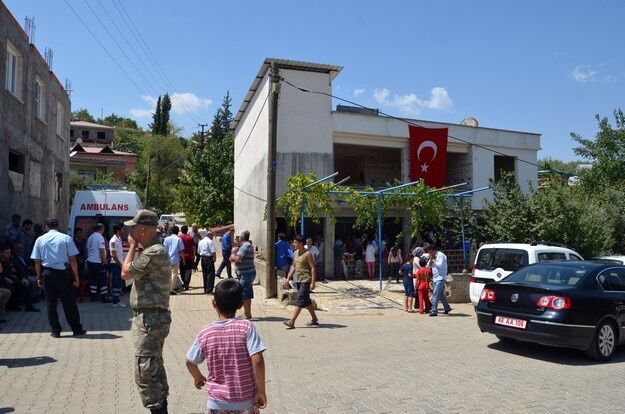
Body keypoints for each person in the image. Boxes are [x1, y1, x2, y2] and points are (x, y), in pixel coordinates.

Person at [185, 279, 267, 413]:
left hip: (217, 402)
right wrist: (261, 390)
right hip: (245, 401)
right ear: (241, 304)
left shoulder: (205, 332)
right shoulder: (246, 327)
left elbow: (189, 361)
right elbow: (257, 360)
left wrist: (197, 377)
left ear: (214, 303)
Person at [121, 210, 172, 414]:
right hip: (151, 317)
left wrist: (132, 246)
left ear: (142, 230)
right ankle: (161, 408)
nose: (130, 233)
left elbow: (125, 273)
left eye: (133, 229)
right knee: (153, 366)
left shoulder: (154, 252)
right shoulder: (153, 250)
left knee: (145, 370)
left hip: (151, 319)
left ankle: (158, 409)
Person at [31, 218, 86, 338]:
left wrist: (38, 277)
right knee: (69, 302)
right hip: (62, 274)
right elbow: (72, 259)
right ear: (58, 226)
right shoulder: (66, 238)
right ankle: (76, 329)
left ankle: (55, 331)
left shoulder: (40, 239)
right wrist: (76, 277)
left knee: (51, 303)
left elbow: (37, 261)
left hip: (47, 273)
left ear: (46, 227)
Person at [283, 235, 318, 329]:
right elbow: (294, 267)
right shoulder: (295, 253)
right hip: (298, 280)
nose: (293, 244)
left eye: (295, 242)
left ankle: (292, 321)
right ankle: (314, 319)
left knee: (300, 300)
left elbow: (313, 268)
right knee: (306, 301)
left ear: (301, 243)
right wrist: (288, 278)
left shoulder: (308, 254)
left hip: (306, 280)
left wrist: (313, 282)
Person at [0, 243, 38, 312]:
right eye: (6, 253)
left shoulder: (11, 259)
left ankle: (29, 306)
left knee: (25, 283)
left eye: (9, 252)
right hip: (3, 279)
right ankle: (12, 305)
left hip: (11, 277)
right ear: (1, 253)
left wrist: (23, 277)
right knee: (11, 286)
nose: (9, 254)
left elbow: (19, 268)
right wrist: (6, 277)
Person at [230, 230, 255, 319]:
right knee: (247, 294)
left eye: (239, 236)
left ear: (242, 237)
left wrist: (232, 255)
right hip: (246, 273)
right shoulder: (245, 245)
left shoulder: (245, 246)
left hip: (246, 274)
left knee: (241, 293)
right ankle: (247, 314)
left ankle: (232, 314)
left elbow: (236, 259)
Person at [427, 244, 451, 316]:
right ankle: (447, 308)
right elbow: (428, 267)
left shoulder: (441, 255)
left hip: (441, 277)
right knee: (440, 294)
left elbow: (440, 265)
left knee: (435, 294)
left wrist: (433, 260)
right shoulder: (433, 257)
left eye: (429, 251)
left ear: (433, 250)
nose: (429, 253)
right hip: (435, 278)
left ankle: (434, 310)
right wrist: (430, 260)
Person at [86, 223, 108, 302]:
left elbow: (87, 249)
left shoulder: (90, 237)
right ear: (101, 229)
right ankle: (104, 297)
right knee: (103, 280)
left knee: (93, 280)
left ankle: (93, 296)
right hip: (98, 262)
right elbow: (101, 250)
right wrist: (104, 261)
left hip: (90, 261)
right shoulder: (100, 237)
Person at [109, 223, 127, 307]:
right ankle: (115, 302)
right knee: (116, 283)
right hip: (115, 264)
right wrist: (120, 264)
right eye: (122, 229)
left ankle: (117, 300)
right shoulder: (113, 240)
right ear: (118, 230)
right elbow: (113, 254)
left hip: (119, 264)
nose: (124, 231)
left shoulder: (119, 239)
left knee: (119, 282)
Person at [163, 226, 185, 295]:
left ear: (171, 231)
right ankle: (171, 289)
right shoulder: (179, 239)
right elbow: (181, 251)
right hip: (175, 259)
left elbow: (164, 249)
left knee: (168, 274)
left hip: (167, 258)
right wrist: (183, 259)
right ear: (178, 232)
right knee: (174, 274)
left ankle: (167, 288)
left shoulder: (166, 239)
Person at [178, 226, 195, 291]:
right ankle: (187, 283)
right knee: (188, 270)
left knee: (182, 270)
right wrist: (194, 255)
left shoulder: (179, 237)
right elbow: (193, 247)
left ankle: (184, 282)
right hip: (189, 256)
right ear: (187, 230)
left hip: (181, 256)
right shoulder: (190, 237)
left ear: (181, 230)